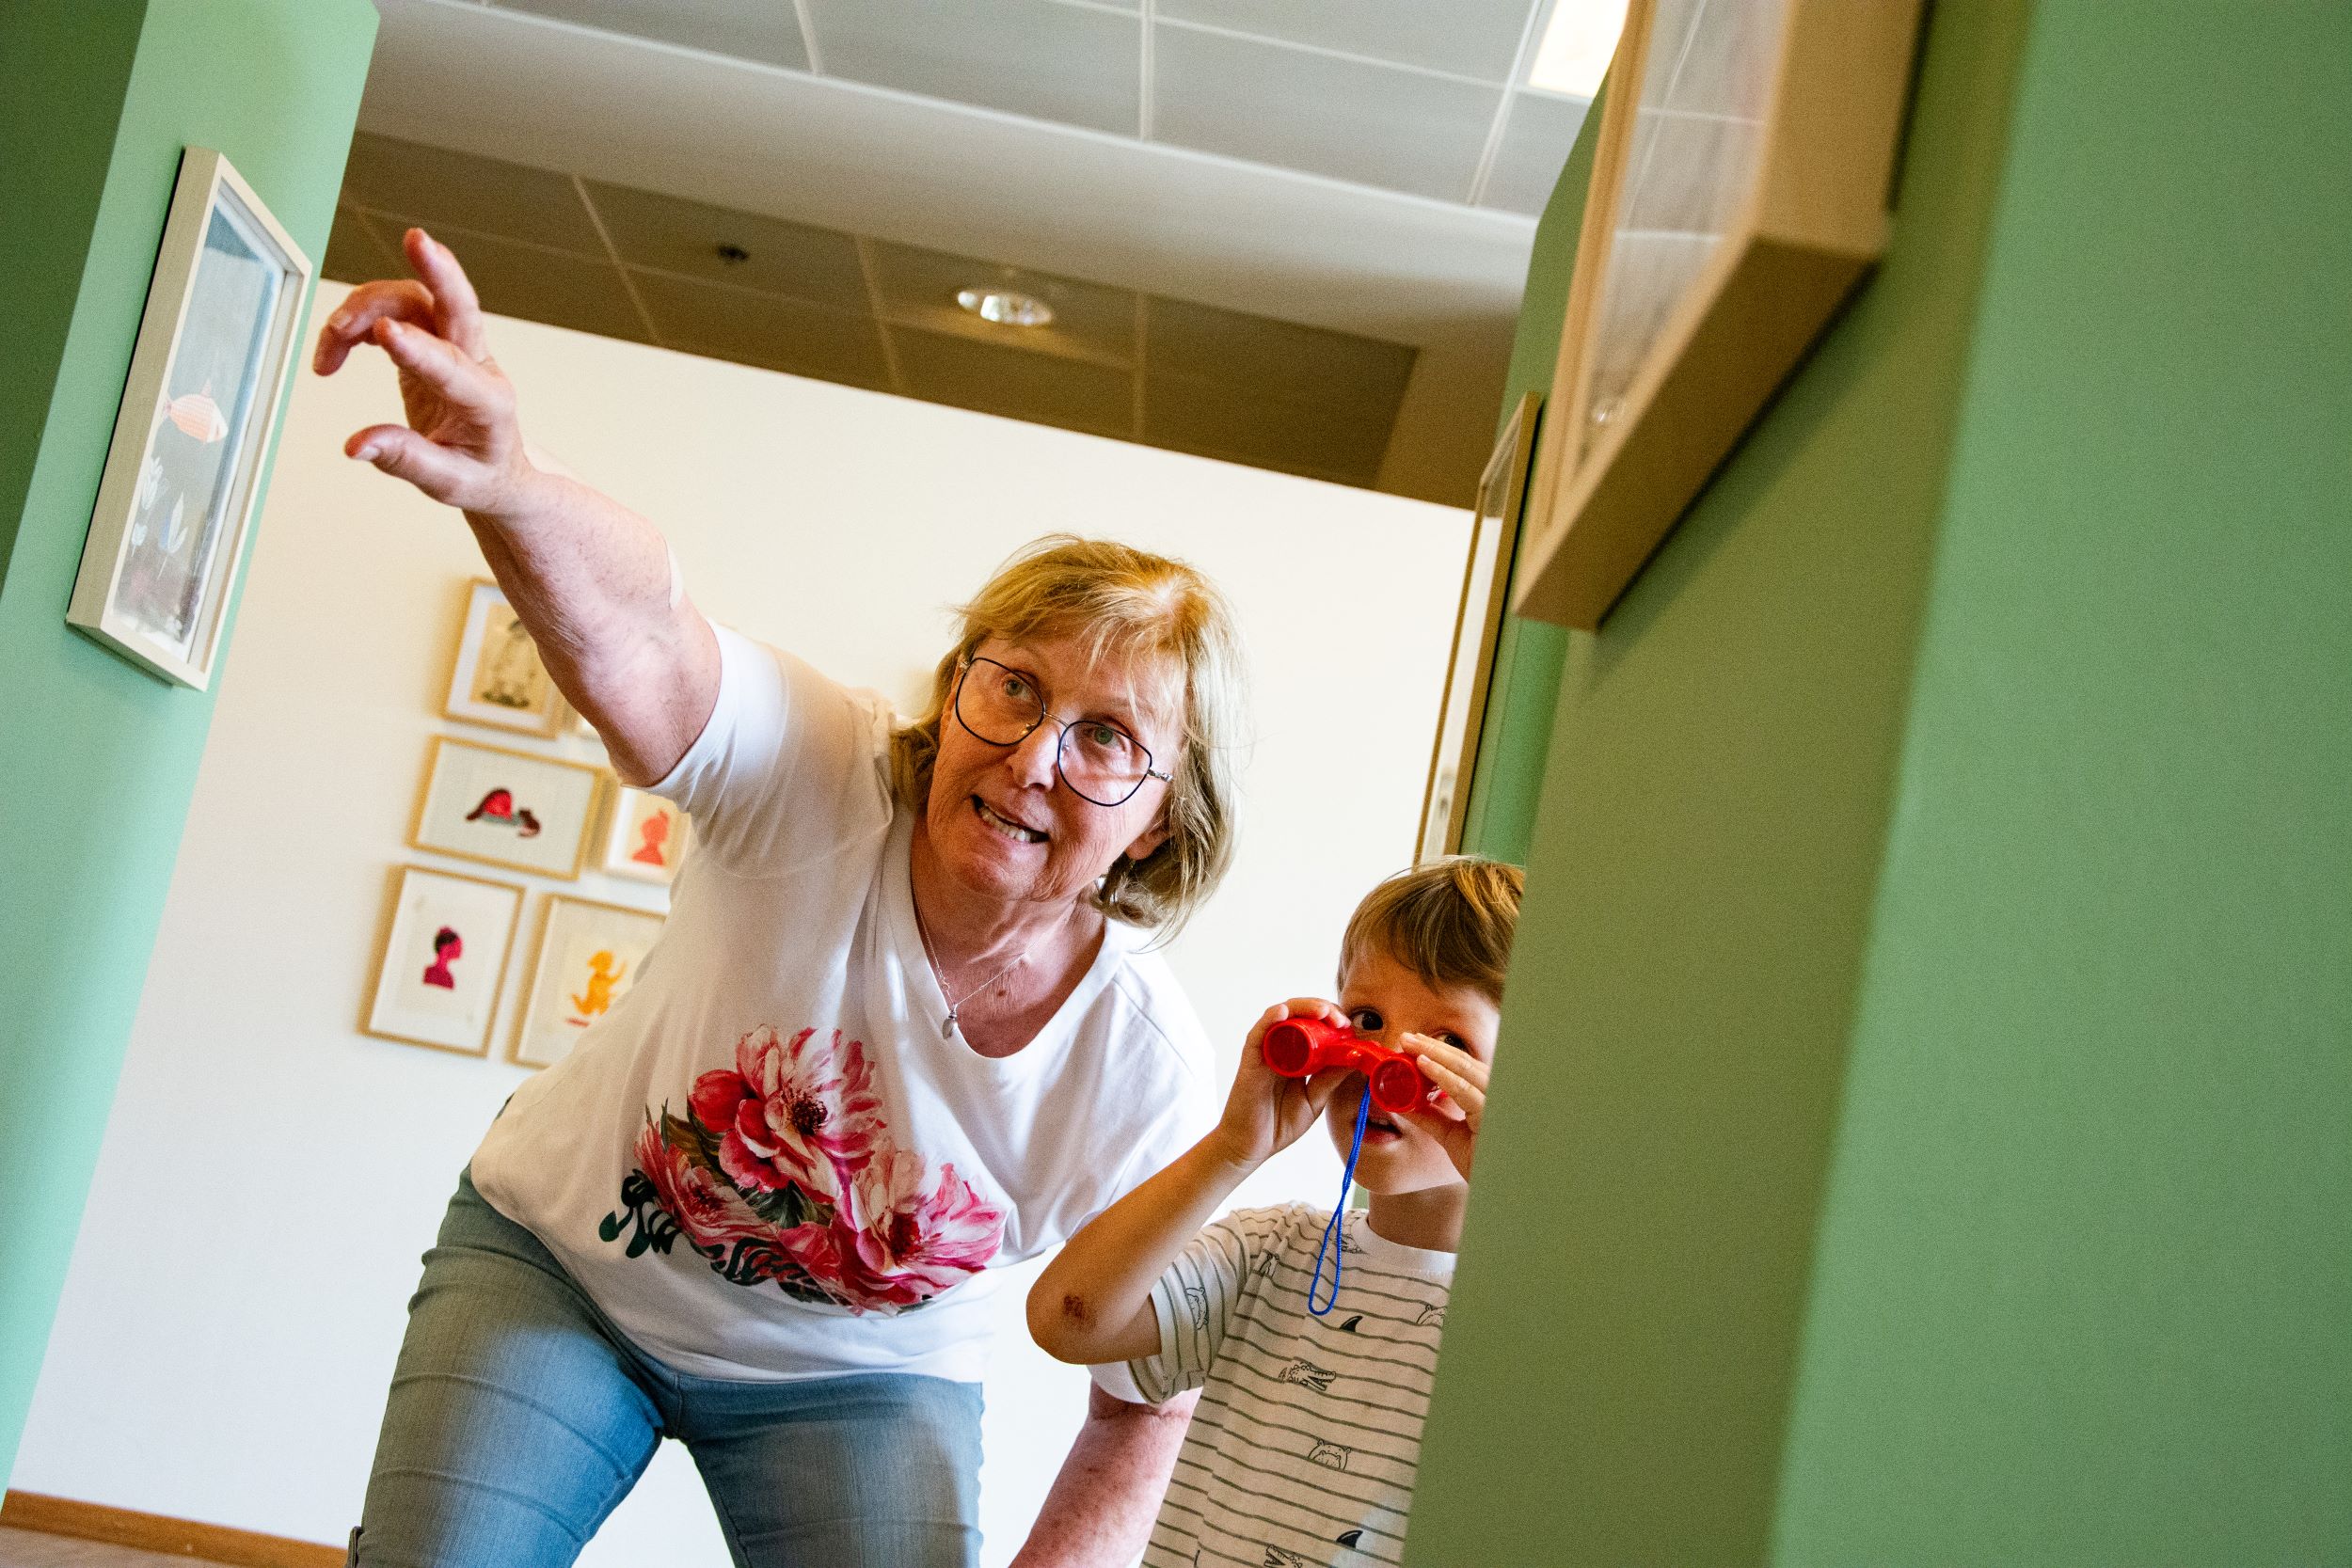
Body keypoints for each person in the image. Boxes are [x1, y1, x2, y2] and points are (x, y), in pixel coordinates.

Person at [316, 227, 1248, 1567]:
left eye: (1108, 736)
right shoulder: (825, 772)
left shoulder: (1138, 1064)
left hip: (862, 1380)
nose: (1037, 753)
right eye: (1017, 684)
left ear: (1161, 820)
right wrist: (512, 485)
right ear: (958, 686)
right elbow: (648, 634)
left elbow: (1146, 1396)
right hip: (560, 1274)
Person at [1028, 857, 1523, 1567]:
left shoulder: (1526, 1317)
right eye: (1367, 1020)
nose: (1386, 1063)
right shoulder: (1269, 1254)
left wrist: (1516, 1190)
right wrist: (1232, 1148)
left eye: (1447, 1043)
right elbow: (1064, 1317)